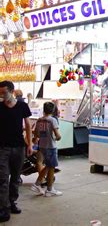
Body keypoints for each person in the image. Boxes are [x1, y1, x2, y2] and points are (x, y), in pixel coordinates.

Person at [0, 81, 33, 222]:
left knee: (15, 178)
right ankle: (4, 208)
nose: (2, 95)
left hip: (19, 147)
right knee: (2, 179)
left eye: (4, 92)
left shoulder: (22, 106)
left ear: (12, 91)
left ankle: (12, 202)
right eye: (0, 93)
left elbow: (28, 125)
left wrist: (30, 144)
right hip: (2, 147)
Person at [31, 102, 62, 197]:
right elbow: (58, 135)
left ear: (44, 110)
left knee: (48, 166)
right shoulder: (52, 120)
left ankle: (38, 184)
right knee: (51, 167)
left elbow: (36, 134)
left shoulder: (39, 120)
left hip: (42, 146)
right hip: (51, 146)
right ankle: (49, 189)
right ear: (53, 110)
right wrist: (57, 138)